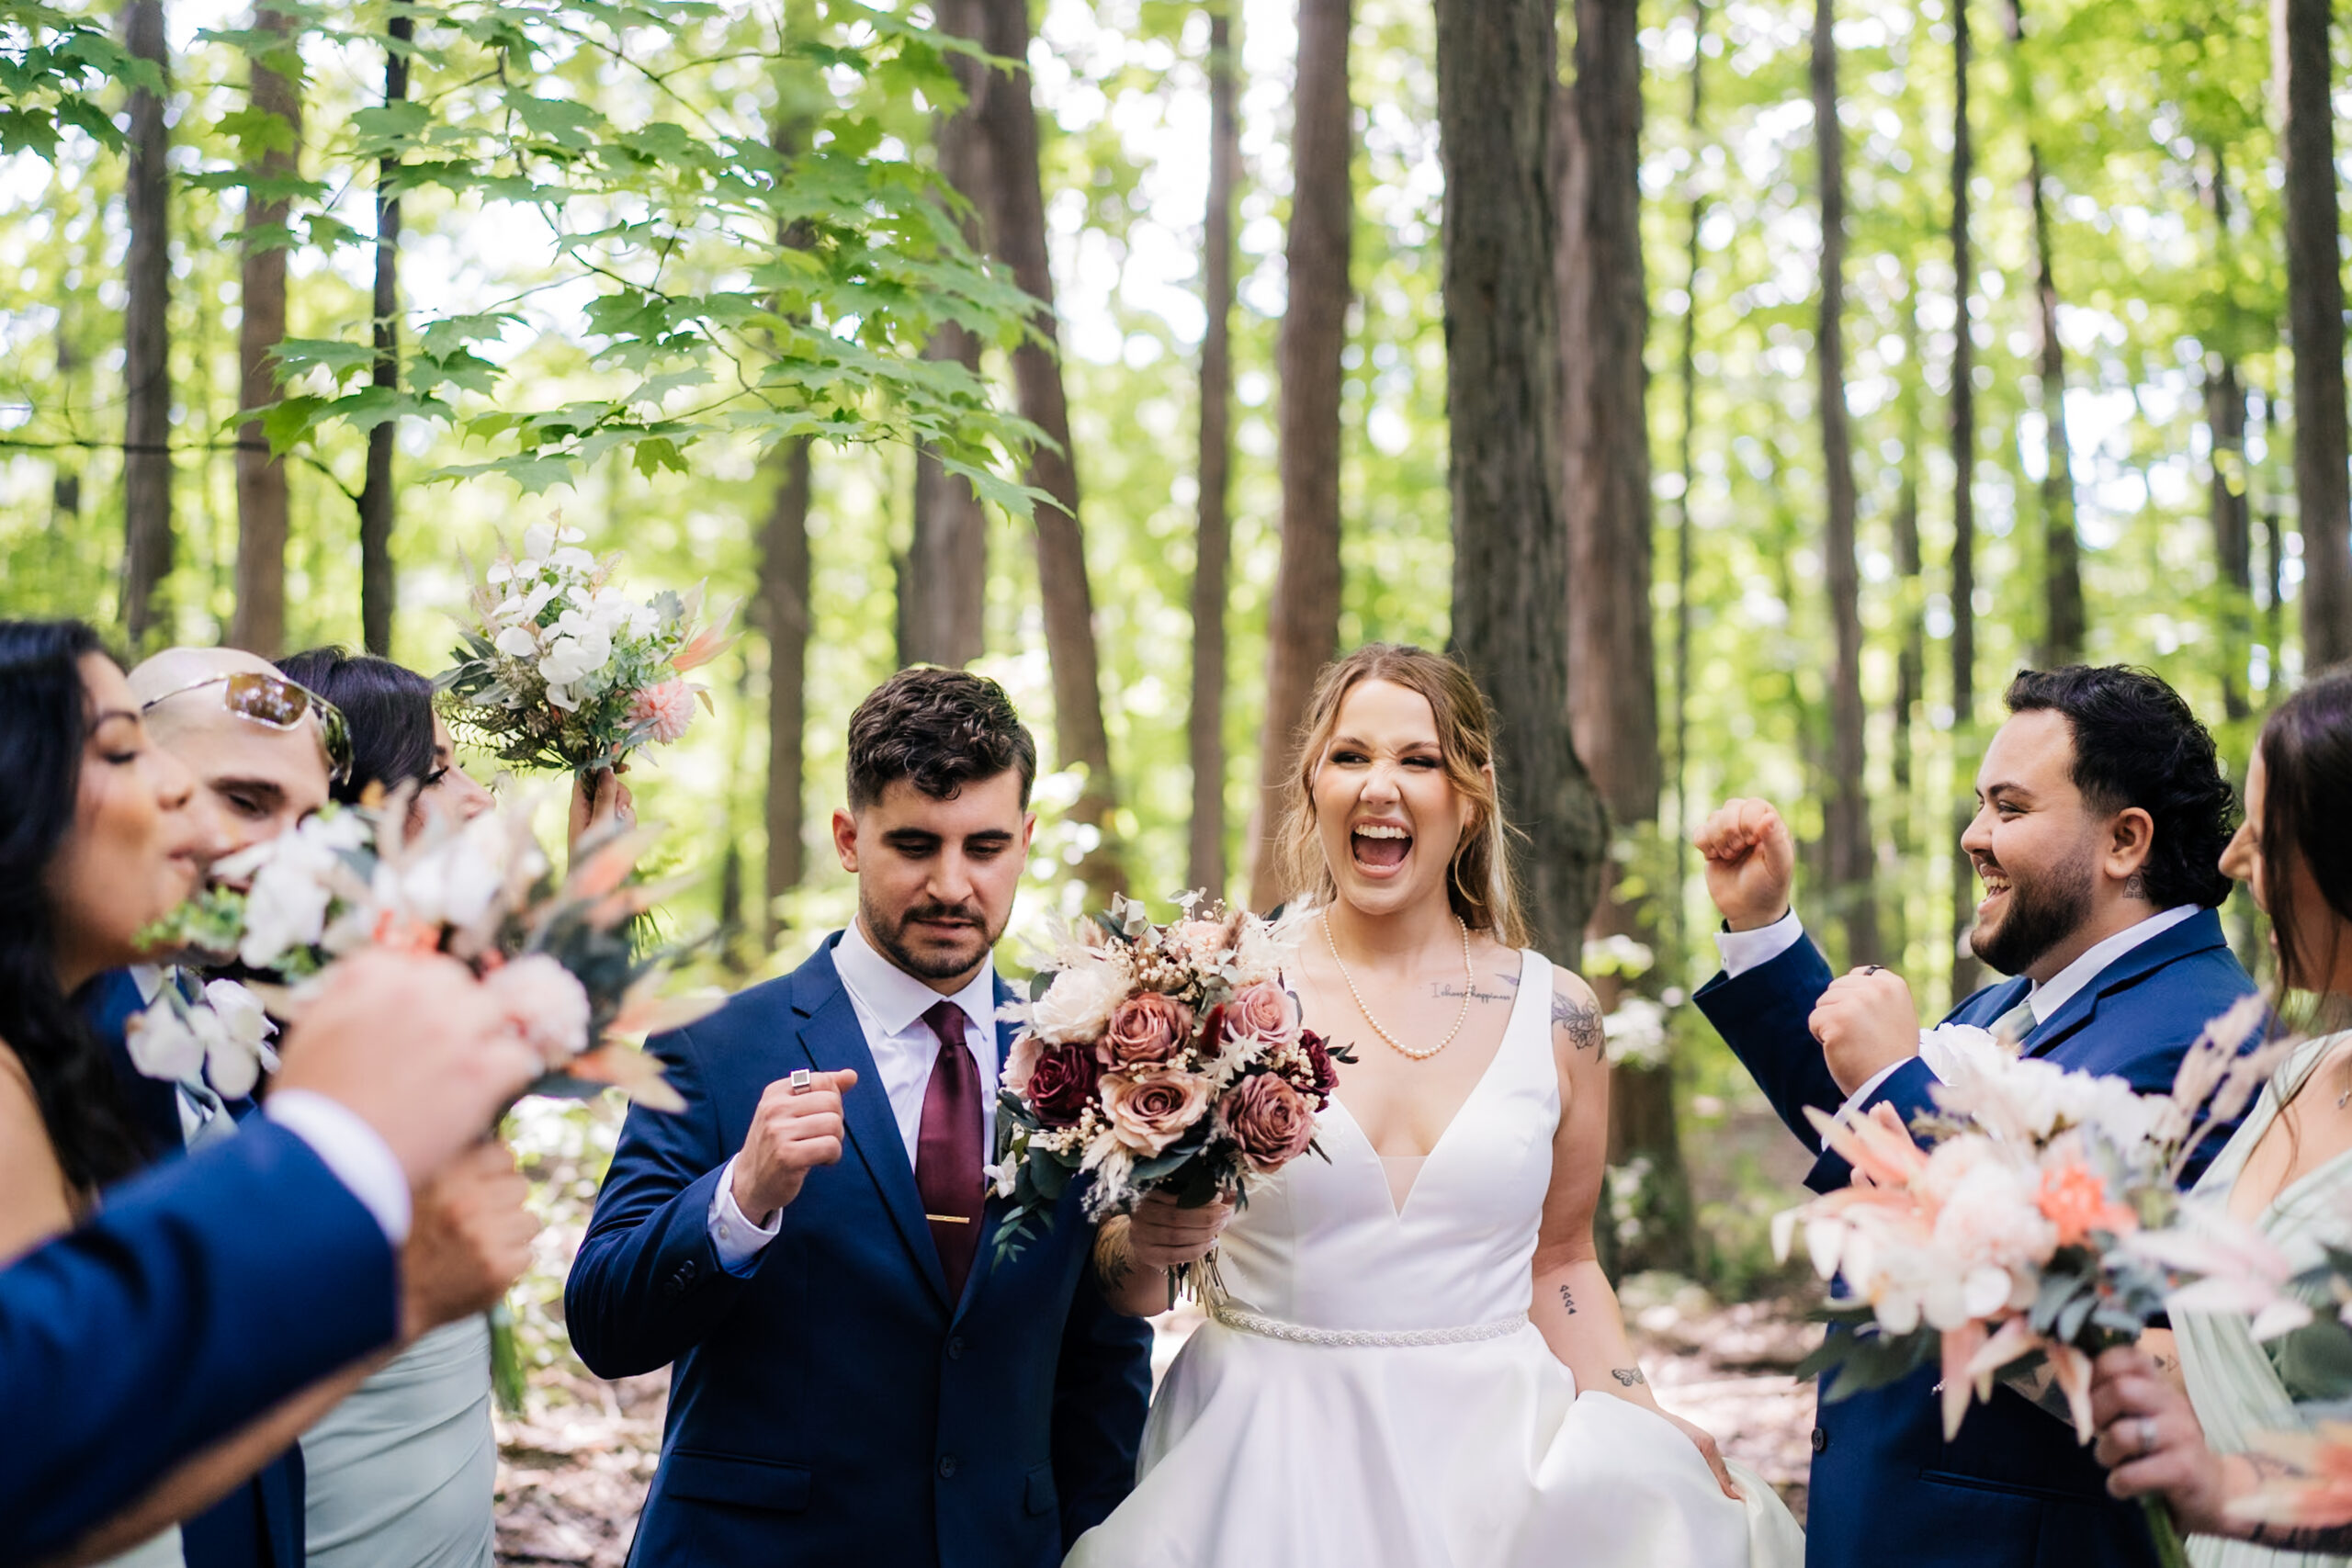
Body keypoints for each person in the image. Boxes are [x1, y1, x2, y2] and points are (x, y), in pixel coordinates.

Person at [1069, 644, 1804, 1568]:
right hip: (1259, 1461)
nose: (1382, 786)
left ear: (1471, 795)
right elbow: (1126, 1281)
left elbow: (1564, 1259)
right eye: (1351, 756)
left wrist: (1636, 1408)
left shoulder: (1560, 1014)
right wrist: (1146, 1245)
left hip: (1495, 1470)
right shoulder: (1212, 989)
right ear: (1312, 783)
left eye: (1419, 760)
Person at [566, 667, 1153, 1566]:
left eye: (985, 847)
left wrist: (1097, 1543)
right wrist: (741, 1197)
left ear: (1026, 839)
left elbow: (1101, 1357)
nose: (953, 886)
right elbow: (605, 1324)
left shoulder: (1091, 1051)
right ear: (849, 837)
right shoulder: (714, 1049)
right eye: (915, 845)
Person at [0, 620, 545, 1566]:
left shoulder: (158, 1015)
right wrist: (332, 1155)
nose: (268, 857)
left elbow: (116, 1435)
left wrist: (403, 1300)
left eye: (304, 823)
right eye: (125, 754)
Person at [1692, 664, 2258, 1568]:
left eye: (2008, 808)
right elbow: (1870, 1134)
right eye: (1978, 806)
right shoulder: (2009, 1007)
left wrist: (1895, 1084)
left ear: (2124, 840)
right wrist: (1764, 933)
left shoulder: (2207, 1040)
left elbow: (2105, 1320)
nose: (1972, 836)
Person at [2088, 666, 2352, 1564]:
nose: (2234, 860)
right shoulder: (2297, 1072)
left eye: (2267, 831)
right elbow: (2216, 1363)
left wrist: (2234, 1488)